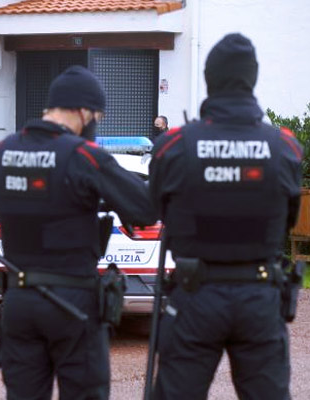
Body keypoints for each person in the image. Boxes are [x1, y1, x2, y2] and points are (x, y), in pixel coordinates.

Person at [0, 65, 156, 399]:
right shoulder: (83, 156)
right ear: (83, 112)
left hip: (19, 301)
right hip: (72, 303)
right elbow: (145, 209)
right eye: (97, 116)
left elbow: (1, 207)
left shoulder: (4, 151)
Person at [149, 33, 302, 400]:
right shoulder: (284, 146)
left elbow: (156, 207)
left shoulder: (173, 145)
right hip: (260, 297)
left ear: (209, 78)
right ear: (252, 78)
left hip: (194, 295)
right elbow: (289, 220)